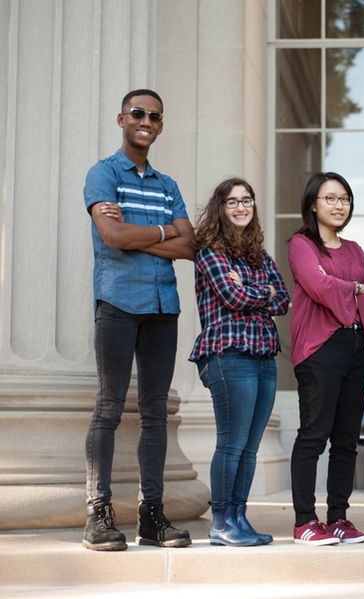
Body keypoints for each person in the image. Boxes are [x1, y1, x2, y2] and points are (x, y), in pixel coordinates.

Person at [82, 89, 194, 551]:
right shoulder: (103, 174)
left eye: (154, 116)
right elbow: (111, 236)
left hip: (162, 306)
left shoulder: (168, 185)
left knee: (154, 414)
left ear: (160, 126)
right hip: (117, 303)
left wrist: (139, 234)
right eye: (138, 113)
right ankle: (98, 515)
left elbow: (190, 245)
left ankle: (153, 516)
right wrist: (163, 231)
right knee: (109, 407)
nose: (146, 121)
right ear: (121, 119)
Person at [190, 177, 290, 546]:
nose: (241, 207)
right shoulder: (209, 252)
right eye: (232, 202)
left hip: (264, 356)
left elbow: (283, 300)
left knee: (250, 446)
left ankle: (238, 517)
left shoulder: (260, 257)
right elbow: (231, 297)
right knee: (231, 444)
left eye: (246, 200)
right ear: (220, 208)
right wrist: (262, 292)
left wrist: (259, 292)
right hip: (228, 354)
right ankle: (220, 523)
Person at [289, 172, 364, 545]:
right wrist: (352, 289)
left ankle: (339, 518)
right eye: (330, 198)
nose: (338, 205)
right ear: (313, 204)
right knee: (314, 435)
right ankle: (305, 521)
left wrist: (349, 290)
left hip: (356, 348)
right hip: (318, 349)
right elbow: (318, 285)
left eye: (344, 198)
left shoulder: (356, 249)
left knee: (346, 438)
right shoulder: (302, 244)